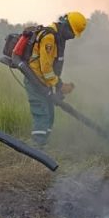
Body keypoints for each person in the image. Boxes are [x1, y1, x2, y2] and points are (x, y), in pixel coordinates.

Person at [25, 12, 87, 146]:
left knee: (50, 114)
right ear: (66, 26)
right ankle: (35, 148)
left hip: (44, 83)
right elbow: (46, 68)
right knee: (42, 114)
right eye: (72, 33)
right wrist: (59, 85)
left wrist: (58, 86)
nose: (71, 37)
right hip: (35, 81)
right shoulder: (49, 37)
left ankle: (43, 144)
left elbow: (52, 68)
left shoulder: (58, 37)